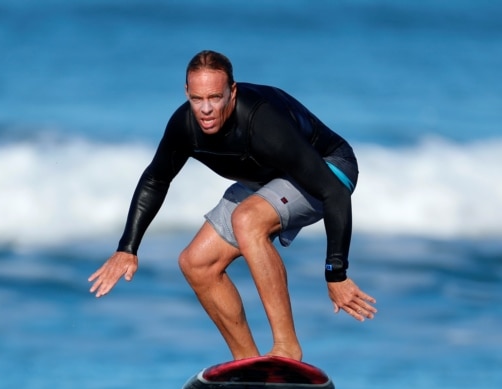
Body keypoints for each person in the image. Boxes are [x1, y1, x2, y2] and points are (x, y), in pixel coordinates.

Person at [89, 50, 376, 361]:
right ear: (186, 93)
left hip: (329, 169)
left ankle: (287, 351)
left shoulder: (262, 123)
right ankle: (247, 365)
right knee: (196, 263)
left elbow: (334, 192)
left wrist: (336, 273)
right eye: (198, 99)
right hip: (270, 177)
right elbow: (156, 179)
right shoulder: (184, 126)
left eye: (215, 97)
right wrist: (127, 248)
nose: (206, 109)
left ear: (232, 92)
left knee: (247, 220)